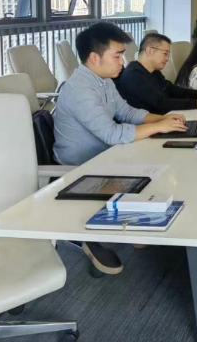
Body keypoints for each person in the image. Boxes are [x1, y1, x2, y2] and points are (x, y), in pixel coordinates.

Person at [53, 23, 188, 276]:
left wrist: (161, 119)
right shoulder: (80, 89)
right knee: (156, 163)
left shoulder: (103, 81)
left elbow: (126, 112)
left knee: (161, 159)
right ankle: (90, 235)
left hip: (105, 154)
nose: (122, 62)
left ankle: (132, 222)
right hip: (83, 165)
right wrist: (159, 126)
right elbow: (112, 134)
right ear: (94, 57)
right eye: (117, 56)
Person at [115, 32, 197, 114]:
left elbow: (172, 90)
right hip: (147, 126)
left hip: (164, 118)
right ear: (149, 51)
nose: (167, 59)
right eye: (165, 54)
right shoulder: (134, 75)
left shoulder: (153, 71)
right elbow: (160, 103)